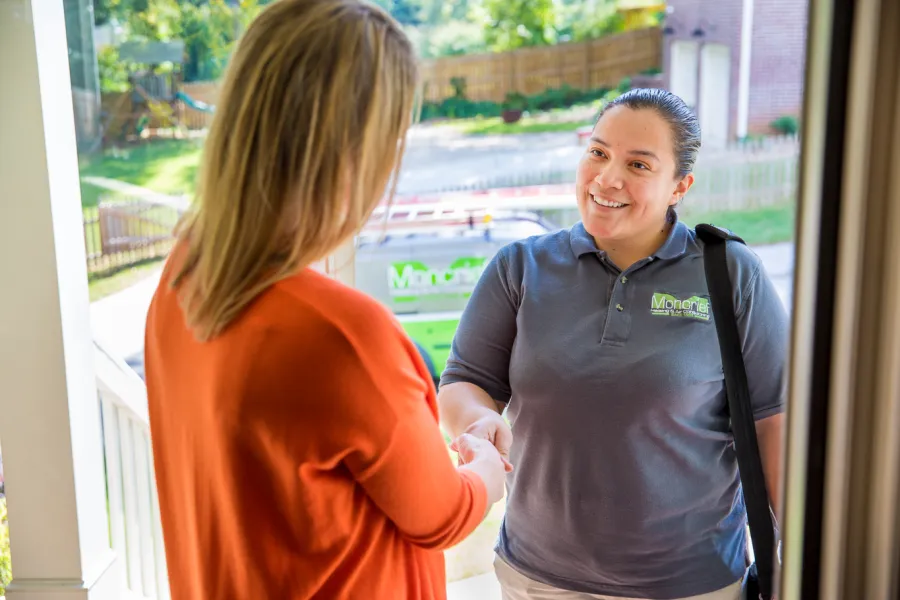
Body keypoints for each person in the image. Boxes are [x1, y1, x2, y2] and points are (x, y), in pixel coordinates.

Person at [143, 1, 508, 598]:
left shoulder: (185, 275)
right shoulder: (340, 336)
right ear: (351, 153)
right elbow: (439, 515)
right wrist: (485, 469)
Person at [438, 88, 788, 600]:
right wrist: (478, 419)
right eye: (598, 152)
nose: (607, 178)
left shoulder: (730, 273)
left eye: (639, 164)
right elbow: (465, 381)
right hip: (537, 580)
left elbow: (773, 422)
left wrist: (807, 553)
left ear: (679, 186)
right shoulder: (521, 268)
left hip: (692, 584)